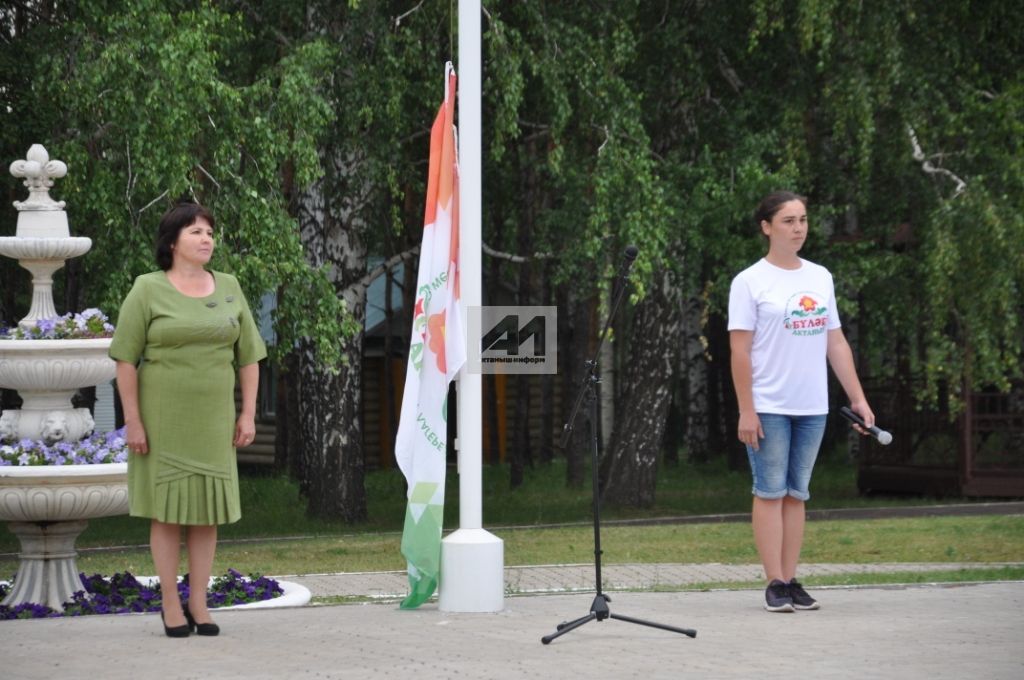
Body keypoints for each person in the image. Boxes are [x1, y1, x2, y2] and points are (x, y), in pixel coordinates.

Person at [109, 203, 266, 637]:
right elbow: (125, 358)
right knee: (167, 513)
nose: (207, 239)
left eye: (210, 232)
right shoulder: (147, 289)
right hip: (162, 420)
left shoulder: (230, 287)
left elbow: (250, 356)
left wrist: (248, 412)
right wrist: (133, 421)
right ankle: (169, 603)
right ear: (173, 241)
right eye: (196, 232)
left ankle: (199, 602)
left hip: (214, 419)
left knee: (206, 513)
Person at [728, 191, 874, 613]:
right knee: (770, 492)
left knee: (797, 494)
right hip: (768, 404)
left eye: (803, 219)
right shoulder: (749, 281)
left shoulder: (820, 277)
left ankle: (791, 580)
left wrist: (858, 399)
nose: (798, 228)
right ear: (767, 227)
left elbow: (835, 341)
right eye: (788, 220)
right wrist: (747, 409)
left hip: (812, 406)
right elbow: (739, 351)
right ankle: (773, 582)